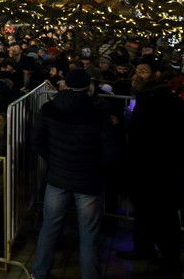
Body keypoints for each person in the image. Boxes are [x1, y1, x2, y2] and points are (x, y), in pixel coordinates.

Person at [31, 69, 116, 279]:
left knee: (50, 227)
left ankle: (39, 273)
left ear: (65, 84)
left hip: (58, 176)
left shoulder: (50, 108)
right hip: (88, 179)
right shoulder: (97, 113)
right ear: (88, 87)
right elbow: (108, 150)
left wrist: (53, 158)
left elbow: (38, 141)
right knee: (88, 234)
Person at [119, 60, 184, 276]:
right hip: (144, 170)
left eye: (143, 72)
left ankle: (170, 260)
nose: (136, 76)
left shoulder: (166, 102)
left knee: (164, 217)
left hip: (161, 171)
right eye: (136, 72)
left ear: (157, 75)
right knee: (143, 213)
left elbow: (182, 137)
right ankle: (143, 248)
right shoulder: (145, 100)